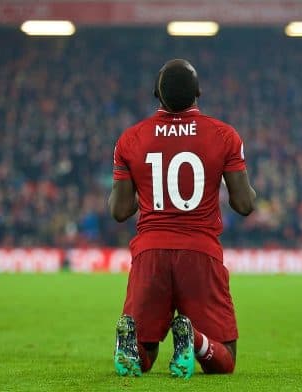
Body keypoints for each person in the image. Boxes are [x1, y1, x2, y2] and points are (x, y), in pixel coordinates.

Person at [109, 59, 256, 379]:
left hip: (150, 254)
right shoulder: (224, 136)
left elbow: (120, 211)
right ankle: (196, 339)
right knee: (224, 357)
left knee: (146, 346)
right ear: (199, 93)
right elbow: (244, 205)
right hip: (200, 253)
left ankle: (130, 349)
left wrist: (141, 185)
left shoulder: (130, 140)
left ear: (155, 94)